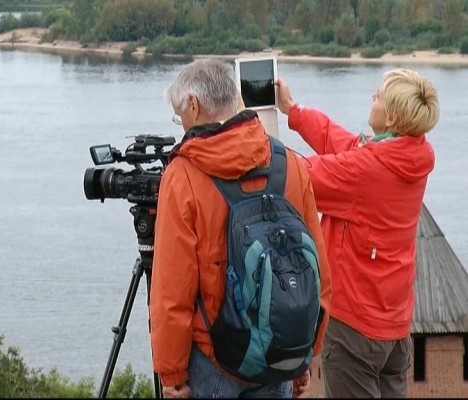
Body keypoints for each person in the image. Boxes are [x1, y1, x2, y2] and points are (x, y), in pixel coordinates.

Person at [149, 58, 332, 399]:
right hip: (279, 349)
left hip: (215, 359)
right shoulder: (290, 163)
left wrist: (172, 373)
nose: (182, 124)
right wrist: (305, 352)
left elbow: (172, 290)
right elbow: (318, 271)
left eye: (180, 116)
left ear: (193, 105)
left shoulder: (183, 176)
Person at [275, 68, 440, 398]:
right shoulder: (413, 154)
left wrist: (250, 143)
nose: (372, 98)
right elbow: (348, 145)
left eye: (377, 95)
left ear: (391, 116)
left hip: (354, 328)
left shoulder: (368, 171)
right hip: (393, 325)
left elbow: (297, 174)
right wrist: (294, 111)